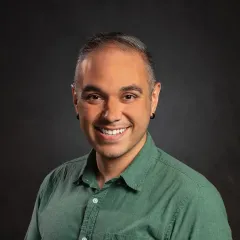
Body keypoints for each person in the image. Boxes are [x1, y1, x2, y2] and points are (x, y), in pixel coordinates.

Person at [25, 32, 232, 240]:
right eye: (94, 97)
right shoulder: (53, 185)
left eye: (128, 96)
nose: (111, 115)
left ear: (154, 98)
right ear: (75, 99)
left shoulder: (194, 200)